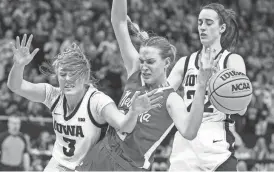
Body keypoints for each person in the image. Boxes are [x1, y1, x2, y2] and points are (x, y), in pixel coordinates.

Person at [76, 0, 219, 171]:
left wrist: (202, 84)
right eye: (142, 61)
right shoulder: (135, 72)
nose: (144, 67)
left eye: (150, 62)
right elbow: (118, 22)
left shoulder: (171, 99)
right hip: (99, 156)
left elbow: (189, 131)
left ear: (166, 62)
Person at [7, 34, 161, 171]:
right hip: (58, 164)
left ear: (86, 76)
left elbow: (124, 125)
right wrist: (19, 65)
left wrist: (134, 112)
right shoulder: (53, 95)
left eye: (74, 73)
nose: (68, 79)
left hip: (89, 167)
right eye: (63, 74)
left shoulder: (97, 101)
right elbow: (16, 86)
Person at [168, 3, 247, 171]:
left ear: (222, 28)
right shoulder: (185, 63)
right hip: (186, 146)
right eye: (200, 22)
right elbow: (162, 96)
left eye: (209, 23)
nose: (202, 27)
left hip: (216, 146)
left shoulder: (232, 61)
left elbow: (242, 109)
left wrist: (222, 87)